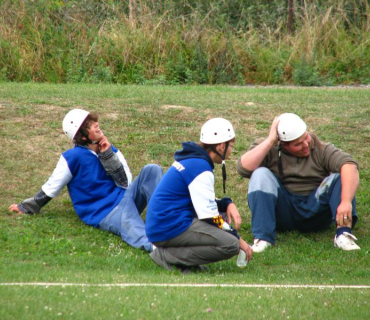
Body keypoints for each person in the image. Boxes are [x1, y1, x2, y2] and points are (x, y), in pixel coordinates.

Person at [9, 109, 162, 252]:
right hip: (107, 211)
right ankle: (163, 250)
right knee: (140, 234)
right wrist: (26, 207)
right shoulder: (72, 157)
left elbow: (126, 183)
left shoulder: (110, 149)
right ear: (83, 136)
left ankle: (164, 218)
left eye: (93, 121)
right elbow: (52, 186)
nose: (96, 124)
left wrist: (108, 156)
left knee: (151, 169)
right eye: (89, 125)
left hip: (125, 197)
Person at [237, 113, 360, 253]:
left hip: (315, 209)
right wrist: (271, 140)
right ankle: (263, 239)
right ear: (283, 144)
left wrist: (345, 201)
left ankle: (343, 234)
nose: (306, 144)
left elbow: (350, 165)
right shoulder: (269, 147)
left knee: (338, 177)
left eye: (306, 137)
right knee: (260, 174)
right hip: (284, 211)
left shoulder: (321, 148)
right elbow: (243, 168)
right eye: (297, 144)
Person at [145, 118, 253, 273]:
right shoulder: (200, 168)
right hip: (167, 226)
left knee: (223, 225)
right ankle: (166, 256)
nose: (232, 150)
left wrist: (227, 203)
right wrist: (238, 238)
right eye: (232, 145)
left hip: (163, 223)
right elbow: (210, 217)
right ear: (222, 146)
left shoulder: (194, 160)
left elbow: (204, 202)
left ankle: (184, 261)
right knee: (231, 244)